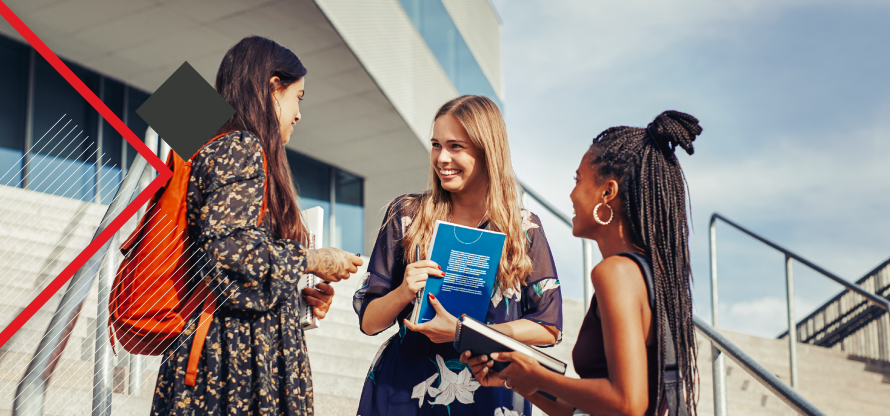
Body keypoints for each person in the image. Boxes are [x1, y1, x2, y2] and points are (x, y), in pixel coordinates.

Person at [150, 35, 364, 416]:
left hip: (228, 355)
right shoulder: (240, 147)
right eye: (298, 97)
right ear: (272, 87)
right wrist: (312, 259)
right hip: (236, 366)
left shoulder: (210, 143)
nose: (299, 114)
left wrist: (297, 296)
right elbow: (232, 254)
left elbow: (225, 255)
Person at [461, 111, 703, 416]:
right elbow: (582, 409)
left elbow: (628, 402)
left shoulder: (616, 273)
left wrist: (538, 376)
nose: (572, 193)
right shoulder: (651, 274)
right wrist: (521, 381)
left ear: (607, 192)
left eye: (578, 180)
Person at [353, 95, 564, 416]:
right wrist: (403, 291)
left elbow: (548, 328)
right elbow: (369, 323)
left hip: (491, 394)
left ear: (486, 151)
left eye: (456, 146)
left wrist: (468, 334)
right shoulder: (407, 215)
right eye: (436, 144)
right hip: (406, 391)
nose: (441, 158)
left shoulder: (524, 228)